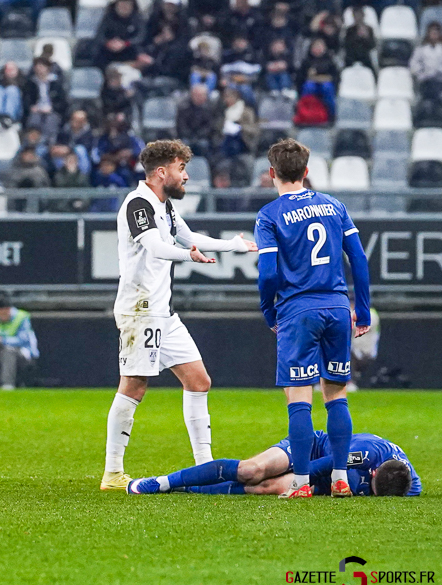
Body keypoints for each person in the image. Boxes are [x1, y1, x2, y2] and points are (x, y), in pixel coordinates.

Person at [101, 139, 258, 492]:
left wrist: (233, 245)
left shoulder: (165, 206)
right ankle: (112, 473)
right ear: (162, 171)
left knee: (199, 380)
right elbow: (156, 247)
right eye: (181, 169)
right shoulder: (137, 204)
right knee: (134, 385)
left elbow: (188, 236)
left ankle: (205, 468)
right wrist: (191, 257)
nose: (185, 176)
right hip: (140, 309)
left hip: (163, 312)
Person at [254, 138, 371, 499]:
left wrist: (268, 308)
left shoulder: (269, 215)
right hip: (337, 307)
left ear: (272, 173)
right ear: (307, 172)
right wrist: (362, 308)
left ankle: (302, 483)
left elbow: (268, 273)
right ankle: (339, 478)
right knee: (336, 395)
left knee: (299, 396)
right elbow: (359, 259)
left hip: (298, 310)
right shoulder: (334, 206)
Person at [128, 430, 420, 497]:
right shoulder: (366, 453)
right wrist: (298, 482)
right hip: (312, 448)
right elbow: (326, 465)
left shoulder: (410, 485)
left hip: (330, 480)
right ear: (371, 471)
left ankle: (186, 490)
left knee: (265, 487)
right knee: (252, 471)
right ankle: (163, 481)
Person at [94, 0, 146, 69]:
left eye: (127, 4)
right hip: (108, 53)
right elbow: (99, 35)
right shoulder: (108, 17)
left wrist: (125, 44)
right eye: (121, 4)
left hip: (129, 52)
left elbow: (140, 37)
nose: (124, 6)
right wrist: (109, 43)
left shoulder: (138, 19)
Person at [349, 304, 380, 392]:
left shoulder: (371, 313)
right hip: (355, 351)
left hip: (367, 353)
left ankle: (350, 382)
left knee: (348, 353)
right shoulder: (351, 312)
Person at [410, 22, 442, 100]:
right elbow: (413, 64)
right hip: (425, 81)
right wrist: (422, 72)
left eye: (436, 32)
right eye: (432, 32)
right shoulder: (421, 49)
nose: (434, 35)